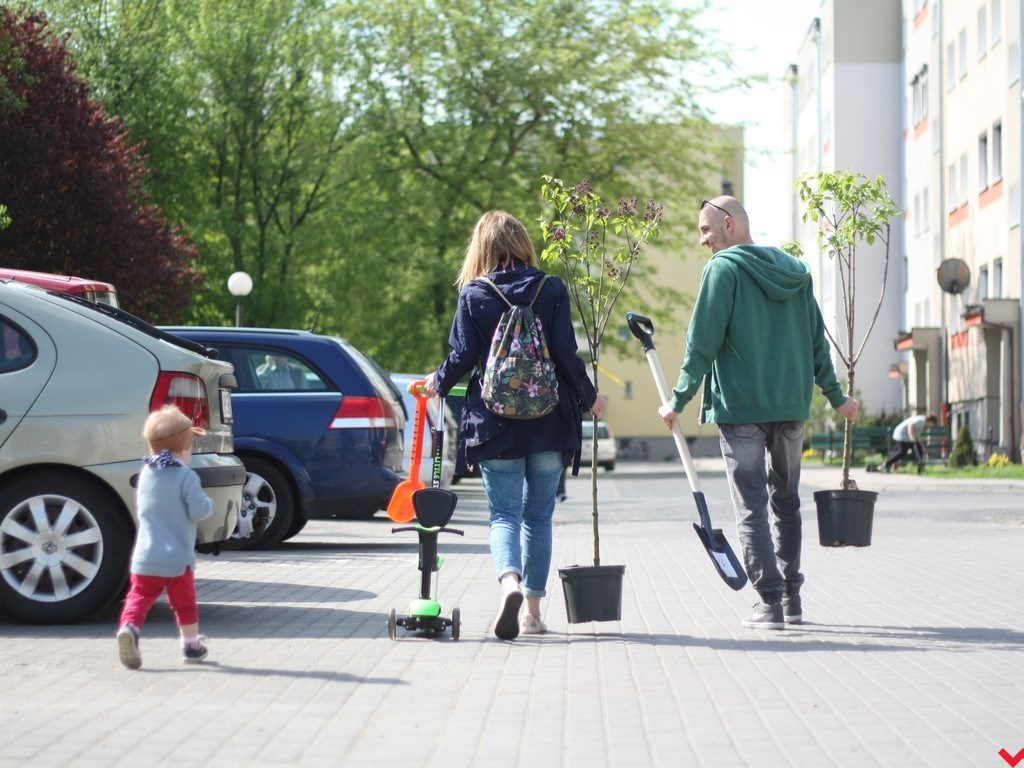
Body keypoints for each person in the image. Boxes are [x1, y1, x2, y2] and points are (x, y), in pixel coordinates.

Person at [658, 196, 859, 631]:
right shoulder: (794, 272)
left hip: (742, 408)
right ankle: (792, 600)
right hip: (790, 406)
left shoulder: (722, 269)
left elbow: (701, 343)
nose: (702, 240)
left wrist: (677, 399)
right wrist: (835, 397)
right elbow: (815, 342)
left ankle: (768, 604)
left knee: (750, 504)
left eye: (706, 229)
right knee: (785, 501)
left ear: (729, 224)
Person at [424, 210, 606, 641]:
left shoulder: (475, 294)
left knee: (503, 515)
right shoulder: (552, 288)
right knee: (538, 517)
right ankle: (532, 613)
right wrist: (590, 397)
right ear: (524, 243)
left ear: (482, 247)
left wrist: (437, 382)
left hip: (494, 422)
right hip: (550, 417)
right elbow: (565, 353)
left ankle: (509, 584)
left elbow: (463, 357)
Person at [116, 405, 215, 669]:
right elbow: (198, 510)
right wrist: (208, 504)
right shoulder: (186, 476)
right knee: (184, 604)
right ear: (183, 449)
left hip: (145, 557)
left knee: (139, 595)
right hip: (177, 560)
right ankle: (191, 645)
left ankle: (130, 628)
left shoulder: (147, 473)